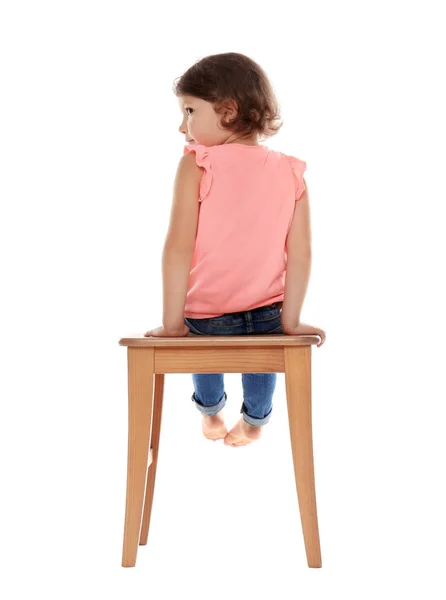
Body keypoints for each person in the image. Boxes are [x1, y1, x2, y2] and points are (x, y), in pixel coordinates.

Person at [144, 52, 326, 447]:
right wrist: (291, 321)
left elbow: (178, 247)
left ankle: (212, 412)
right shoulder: (291, 171)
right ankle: (252, 419)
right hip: (268, 314)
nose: (182, 126)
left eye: (190, 111)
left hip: (206, 316)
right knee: (261, 369)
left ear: (227, 111)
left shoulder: (198, 164)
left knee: (206, 367)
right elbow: (301, 254)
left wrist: (173, 323)